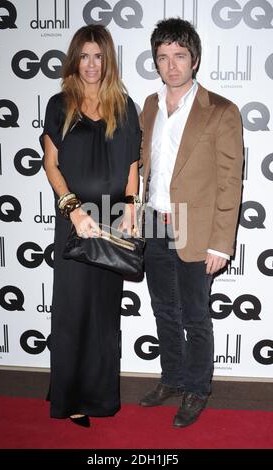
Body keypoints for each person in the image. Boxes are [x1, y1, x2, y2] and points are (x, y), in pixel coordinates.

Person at [139, 18, 243, 427]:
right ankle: (172, 377)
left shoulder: (221, 111)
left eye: (179, 56)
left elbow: (230, 182)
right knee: (163, 309)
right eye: (163, 57)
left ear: (194, 58)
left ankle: (197, 389)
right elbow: (143, 166)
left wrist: (221, 243)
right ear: (156, 62)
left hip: (195, 228)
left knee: (195, 315)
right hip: (155, 221)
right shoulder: (149, 105)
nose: (172, 65)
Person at [40, 24, 141, 427]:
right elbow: (51, 163)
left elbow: (133, 163)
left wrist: (132, 207)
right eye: (84, 55)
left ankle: (99, 397)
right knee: (72, 312)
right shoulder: (59, 104)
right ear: (74, 59)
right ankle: (70, 397)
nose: (91, 64)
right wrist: (73, 210)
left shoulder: (124, 105)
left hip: (113, 223)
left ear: (108, 60)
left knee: (103, 314)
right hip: (75, 220)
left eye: (98, 56)